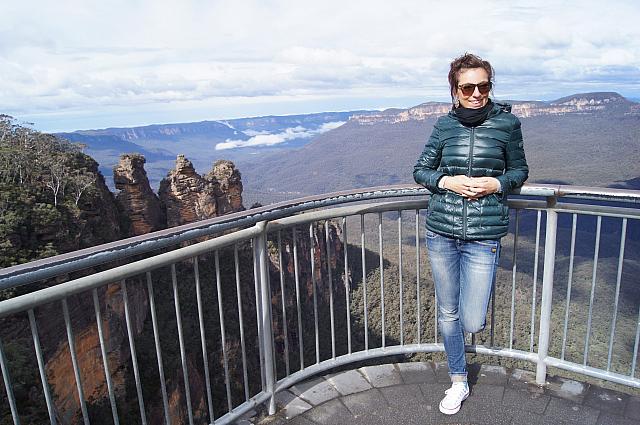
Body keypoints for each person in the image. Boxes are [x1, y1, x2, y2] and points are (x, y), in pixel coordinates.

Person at [413, 53, 528, 415]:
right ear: (455, 90)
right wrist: (447, 181)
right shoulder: (444, 126)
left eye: (484, 86)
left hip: (483, 235)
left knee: (473, 319)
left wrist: (497, 183)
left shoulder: (508, 124)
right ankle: (458, 379)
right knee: (448, 312)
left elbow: (520, 171)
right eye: (468, 88)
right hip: (442, 232)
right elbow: (421, 170)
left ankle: (462, 361)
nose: (477, 93)